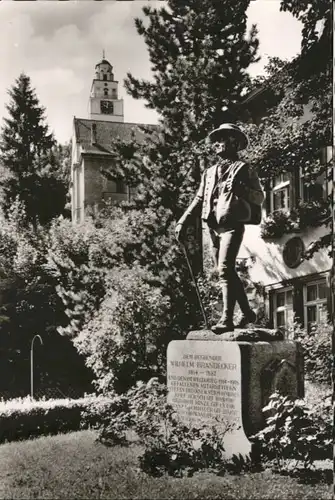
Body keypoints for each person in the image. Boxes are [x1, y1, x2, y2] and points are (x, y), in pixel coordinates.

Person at [175, 123, 265, 333]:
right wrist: (183, 221)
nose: (217, 144)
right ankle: (246, 312)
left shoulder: (245, 169)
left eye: (222, 139)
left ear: (234, 142)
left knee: (224, 269)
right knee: (225, 271)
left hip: (232, 224)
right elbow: (199, 199)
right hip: (213, 227)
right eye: (216, 140)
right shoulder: (209, 172)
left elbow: (259, 196)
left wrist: (241, 189)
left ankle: (227, 318)